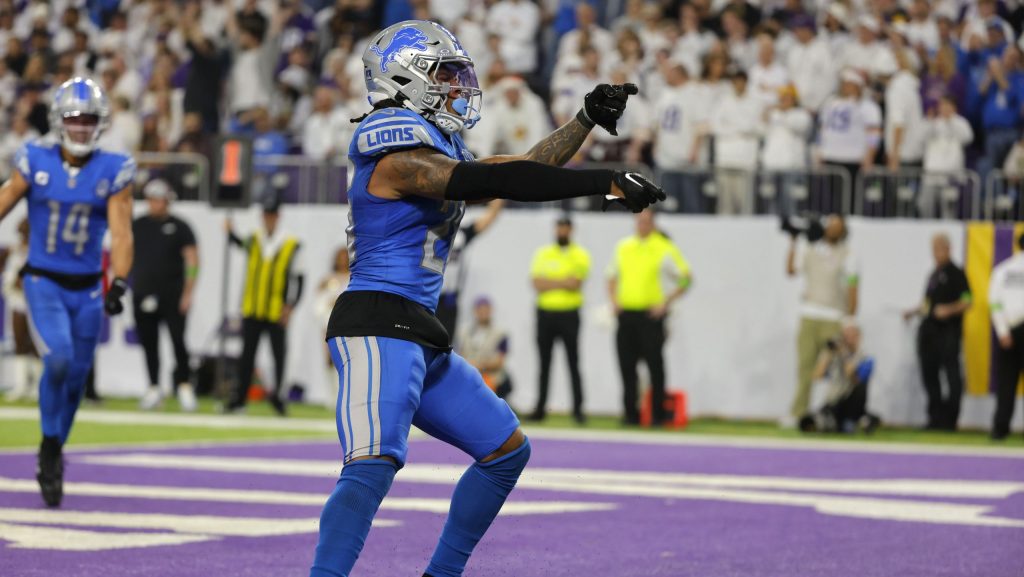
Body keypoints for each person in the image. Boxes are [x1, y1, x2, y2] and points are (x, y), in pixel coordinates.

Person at [311, 20, 663, 577]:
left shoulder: (435, 144)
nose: (458, 86)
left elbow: (521, 169)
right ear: (406, 79)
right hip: (375, 322)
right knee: (372, 464)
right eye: (445, 75)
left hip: (419, 330)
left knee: (505, 452)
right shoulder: (388, 142)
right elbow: (494, 183)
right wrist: (605, 181)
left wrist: (586, 121)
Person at [0, 77, 135, 507]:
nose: (81, 128)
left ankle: (55, 448)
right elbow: (5, 198)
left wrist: (119, 280)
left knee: (76, 379)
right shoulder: (34, 158)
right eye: (74, 119)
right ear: (60, 120)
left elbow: (122, 230)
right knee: (57, 358)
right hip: (43, 279)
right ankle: (47, 445)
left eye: (89, 120)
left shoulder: (113, 167)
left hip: (87, 289)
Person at [607, 209, 691, 426]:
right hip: (627, 314)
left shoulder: (664, 247)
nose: (642, 225)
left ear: (653, 224)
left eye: (646, 221)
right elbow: (611, 276)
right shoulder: (624, 246)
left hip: (650, 316)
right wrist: (614, 300)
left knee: (655, 366)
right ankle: (630, 414)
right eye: (639, 221)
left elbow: (686, 278)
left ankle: (657, 415)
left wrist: (666, 302)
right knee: (627, 366)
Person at [224, 197, 304, 416]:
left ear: (278, 217)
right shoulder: (255, 239)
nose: (268, 219)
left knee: (279, 356)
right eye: (265, 215)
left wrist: (290, 306)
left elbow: (299, 279)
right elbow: (239, 244)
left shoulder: (290, 243)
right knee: (247, 356)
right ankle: (239, 399)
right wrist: (230, 231)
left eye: (271, 215)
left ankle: (278, 397)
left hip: (276, 310)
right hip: (253, 308)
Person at [785, 214, 858, 427]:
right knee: (805, 367)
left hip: (834, 317)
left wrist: (849, 320)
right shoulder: (812, 249)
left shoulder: (849, 255)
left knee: (837, 371)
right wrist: (793, 241)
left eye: (837, 226)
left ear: (843, 230)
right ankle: (799, 412)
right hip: (810, 315)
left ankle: (834, 413)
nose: (832, 229)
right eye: (830, 225)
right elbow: (791, 270)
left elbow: (853, 289)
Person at [134, 179, 199, 412]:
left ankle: (184, 386)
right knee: (149, 343)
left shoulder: (180, 227)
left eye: (159, 199)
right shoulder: (138, 225)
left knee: (178, 341)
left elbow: (193, 259)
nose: (155, 204)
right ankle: (153, 387)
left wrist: (188, 292)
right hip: (143, 293)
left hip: (173, 294)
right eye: (152, 199)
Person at [903, 234, 971, 430]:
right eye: (933, 248)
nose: (936, 253)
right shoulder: (933, 274)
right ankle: (935, 418)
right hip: (929, 333)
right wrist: (914, 311)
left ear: (948, 249)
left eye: (939, 248)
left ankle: (950, 420)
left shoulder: (957, 273)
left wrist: (948, 310)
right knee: (929, 375)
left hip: (948, 332)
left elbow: (968, 301)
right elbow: (927, 304)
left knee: (952, 376)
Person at [528, 215, 590, 423]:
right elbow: (536, 283)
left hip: (569, 315)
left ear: (571, 230)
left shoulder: (580, 254)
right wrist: (563, 281)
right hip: (545, 314)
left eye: (565, 228)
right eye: (559, 228)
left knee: (573, 362)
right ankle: (540, 408)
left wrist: (550, 282)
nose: (562, 232)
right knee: (544, 363)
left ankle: (578, 410)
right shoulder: (543, 253)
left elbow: (576, 284)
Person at [436, 199, 503, 339]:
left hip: (449, 300)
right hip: (425, 297)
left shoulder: (460, 234)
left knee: (444, 345)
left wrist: (500, 190)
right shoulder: (425, 229)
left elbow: (490, 217)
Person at [799, 322, 880, 434]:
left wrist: (844, 354)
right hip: (834, 401)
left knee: (847, 427)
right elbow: (817, 376)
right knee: (815, 420)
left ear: (858, 337)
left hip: (852, 401)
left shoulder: (866, 358)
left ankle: (856, 421)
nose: (847, 339)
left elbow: (854, 378)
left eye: (851, 335)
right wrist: (826, 354)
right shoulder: (835, 357)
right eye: (845, 335)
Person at [987, 234, 1024, 441]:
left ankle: (1000, 429)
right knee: (1007, 383)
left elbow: (995, 303)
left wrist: (1002, 331)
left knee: (1006, 383)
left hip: (1010, 330)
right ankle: (1000, 427)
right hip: (1013, 328)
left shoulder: (1003, 270)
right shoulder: (1004, 270)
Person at [2, 218, 41, 401]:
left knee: (36, 344)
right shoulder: (14, 250)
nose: (24, 235)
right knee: (19, 341)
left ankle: (38, 385)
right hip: (16, 300)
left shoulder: (39, 253)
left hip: (36, 301)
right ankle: (21, 384)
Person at [314, 246, 350, 409]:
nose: (342, 260)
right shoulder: (329, 279)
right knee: (330, 359)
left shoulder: (354, 278)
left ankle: (345, 394)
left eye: (345, 257)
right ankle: (331, 395)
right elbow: (320, 303)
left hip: (348, 323)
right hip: (330, 322)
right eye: (340, 257)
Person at [456, 296, 511, 399]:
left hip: (490, 375)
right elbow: (459, 354)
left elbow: (500, 361)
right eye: (480, 309)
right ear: (475, 311)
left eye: (486, 309)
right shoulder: (463, 332)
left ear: (491, 310)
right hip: (468, 374)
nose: (483, 313)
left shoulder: (500, 333)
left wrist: (479, 366)